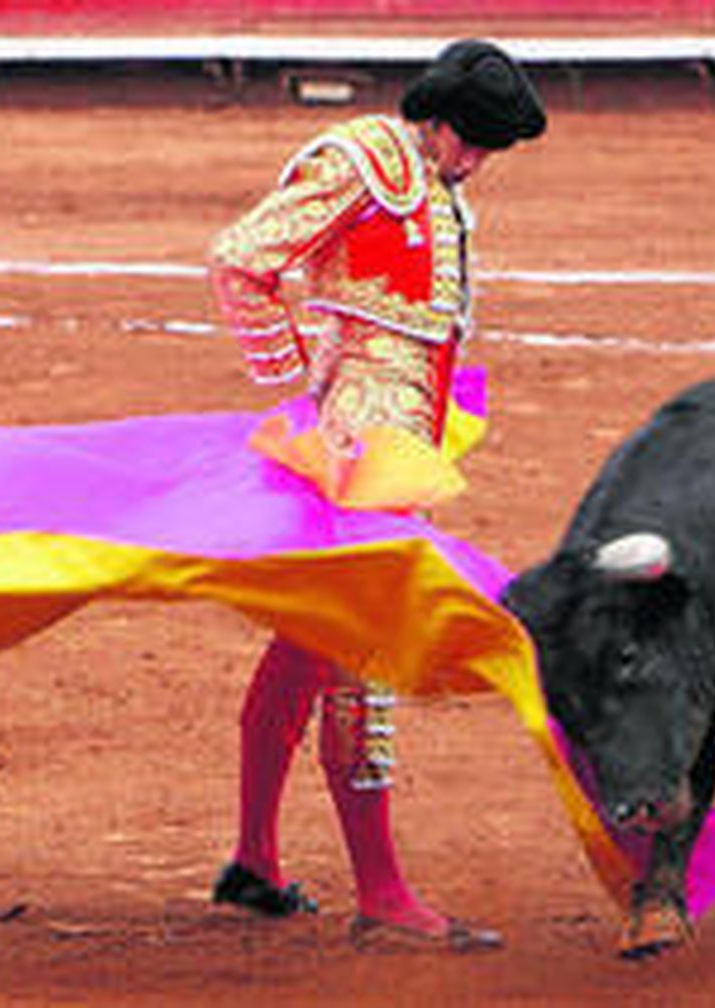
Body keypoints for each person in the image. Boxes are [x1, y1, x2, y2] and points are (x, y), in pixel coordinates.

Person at [203, 38, 546, 952]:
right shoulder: (363, 161)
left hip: (396, 442)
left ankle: (254, 862)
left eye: (490, 150)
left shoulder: (433, 181)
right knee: (361, 654)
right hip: (358, 451)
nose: (476, 162)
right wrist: (297, 396)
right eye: (471, 141)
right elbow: (241, 258)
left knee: (310, 640)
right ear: (436, 119)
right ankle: (383, 896)